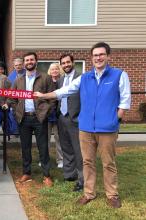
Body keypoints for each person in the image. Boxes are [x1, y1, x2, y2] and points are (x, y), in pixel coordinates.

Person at [34, 42, 131, 208]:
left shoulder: (119, 75)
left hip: (107, 128)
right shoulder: (84, 78)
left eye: (101, 54)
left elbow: (125, 100)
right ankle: (89, 192)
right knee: (87, 162)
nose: (98, 58)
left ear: (108, 56)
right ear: (91, 58)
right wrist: (44, 95)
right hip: (85, 128)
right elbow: (64, 91)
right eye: (95, 55)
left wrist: (116, 120)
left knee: (108, 162)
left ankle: (112, 194)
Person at [6, 52, 55, 187]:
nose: (29, 62)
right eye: (26, 60)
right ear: (24, 63)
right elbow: (11, 98)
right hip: (24, 118)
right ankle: (26, 172)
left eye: (31, 60)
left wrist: (46, 111)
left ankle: (46, 175)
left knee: (43, 147)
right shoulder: (18, 80)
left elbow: (52, 98)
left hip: (39, 118)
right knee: (25, 147)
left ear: (36, 61)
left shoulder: (45, 78)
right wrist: (17, 111)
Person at [57, 54, 84, 192]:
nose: (66, 65)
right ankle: (69, 175)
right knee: (66, 147)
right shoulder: (61, 80)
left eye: (68, 62)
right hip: (62, 118)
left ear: (73, 63)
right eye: (63, 63)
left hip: (76, 119)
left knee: (79, 150)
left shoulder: (81, 78)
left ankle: (82, 179)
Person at [47, 63, 64, 168]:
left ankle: (60, 160)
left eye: (56, 69)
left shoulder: (63, 81)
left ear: (59, 70)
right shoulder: (46, 81)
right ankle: (45, 159)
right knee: (45, 138)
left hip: (59, 114)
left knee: (59, 138)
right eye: (52, 69)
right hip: (47, 114)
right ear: (50, 71)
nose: (54, 71)